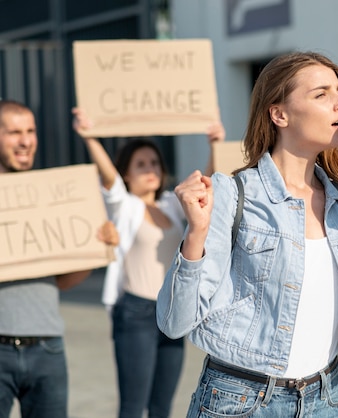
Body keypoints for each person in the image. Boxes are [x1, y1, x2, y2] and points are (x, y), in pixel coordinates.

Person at [156, 51, 338, 417]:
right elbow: (174, 323)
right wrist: (195, 235)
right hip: (240, 401)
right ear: (279, 114)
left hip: (324, 398)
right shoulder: (231, 194)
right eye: (321, 94)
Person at [72, 108, 226, 418]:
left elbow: (205, 186)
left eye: (154, 162)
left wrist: (215, 145)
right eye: (140, 165)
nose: (150, 169)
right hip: (136, 314)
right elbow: (110, 181)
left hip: (170, 314)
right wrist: (89, 137)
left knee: (161, 407)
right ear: (126, 173)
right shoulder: (123, 206)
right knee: (132, 405)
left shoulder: (171, 204)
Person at [0, 99, 118, 418]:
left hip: (47, 348)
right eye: (13, 132)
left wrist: (95, 251)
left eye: (30, 131)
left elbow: (63, 282)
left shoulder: (48, 197)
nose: (25, 140)